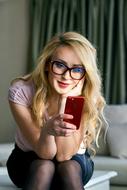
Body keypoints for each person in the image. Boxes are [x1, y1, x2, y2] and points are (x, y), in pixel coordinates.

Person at [6, 31, 106, 190]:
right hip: (27, 161)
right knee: (44, 167)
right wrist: (47, 131)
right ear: (47, 64)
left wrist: (66, 101)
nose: (67, 76)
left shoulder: (85, 94)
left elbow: (64, 155)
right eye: (59, 65)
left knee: (68, 167)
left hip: (74, 162)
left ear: (84, 73)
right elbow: (45, 154)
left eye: (77, 69)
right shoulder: (21, 91)